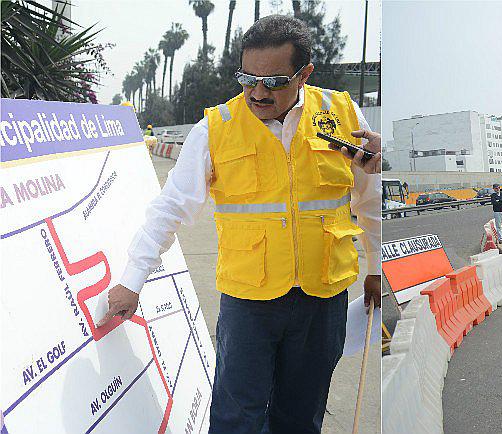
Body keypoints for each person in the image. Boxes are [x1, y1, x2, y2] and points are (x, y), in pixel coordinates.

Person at [97, 16, 381, 433]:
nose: (258, 93)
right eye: (248, 79)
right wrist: (132, 279)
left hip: (324, 297)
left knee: (300, 417)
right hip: (250, 303)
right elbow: (170, 206)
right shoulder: (216, 129)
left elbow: (368, 197)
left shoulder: (342, 114)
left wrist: (376, 266)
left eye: (274, 81)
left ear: (304, 75)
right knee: (236, 418)